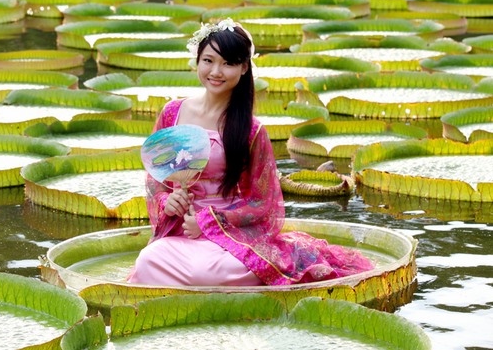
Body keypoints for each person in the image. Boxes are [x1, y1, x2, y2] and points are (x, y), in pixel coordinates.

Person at [127, 18, 374, 286]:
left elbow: (261, 202)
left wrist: (210, 222)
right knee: (147, 261)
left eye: (228, 63)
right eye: (208, 61)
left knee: (210, 273)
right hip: (181, 232)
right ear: (197, 61)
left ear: (244, 68)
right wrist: (168, 202)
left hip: (229, 236)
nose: (216, 71)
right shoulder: (172, 113)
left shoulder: (250, 130)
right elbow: (156, 180)